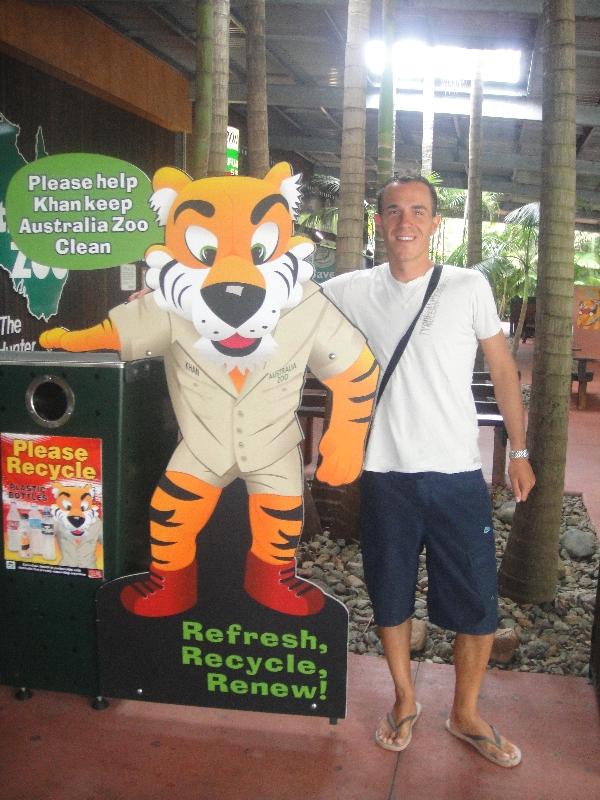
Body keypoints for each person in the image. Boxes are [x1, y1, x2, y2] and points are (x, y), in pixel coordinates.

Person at [322, 175, 535, 767]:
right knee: (389, 594)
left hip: (457, 474)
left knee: (476, 602)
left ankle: (465, 712)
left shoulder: (469, 286)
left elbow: (503, 370)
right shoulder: (351, 289)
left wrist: (517, 450)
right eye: (393, 211)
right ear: (379, 222)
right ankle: (405, 699)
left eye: (417, 211)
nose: (404, 222)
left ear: (435, 223)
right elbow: (277, 301)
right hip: (385, 474)